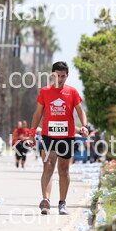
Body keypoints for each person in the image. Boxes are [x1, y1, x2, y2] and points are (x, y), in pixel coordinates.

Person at [29, 61, 89, 215]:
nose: (60, 79)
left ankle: (62, 203)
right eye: (57, 75)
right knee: (48, 166)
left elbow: (80, 110)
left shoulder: (72, 92)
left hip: (67, 137)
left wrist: (84, 126)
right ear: (52, 75)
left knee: (63, 169)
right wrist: (32, 132)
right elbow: (38, 113)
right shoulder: (45, 91)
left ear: (67, 76)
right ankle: (46, 200)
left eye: (63, 76)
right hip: (48, 136)